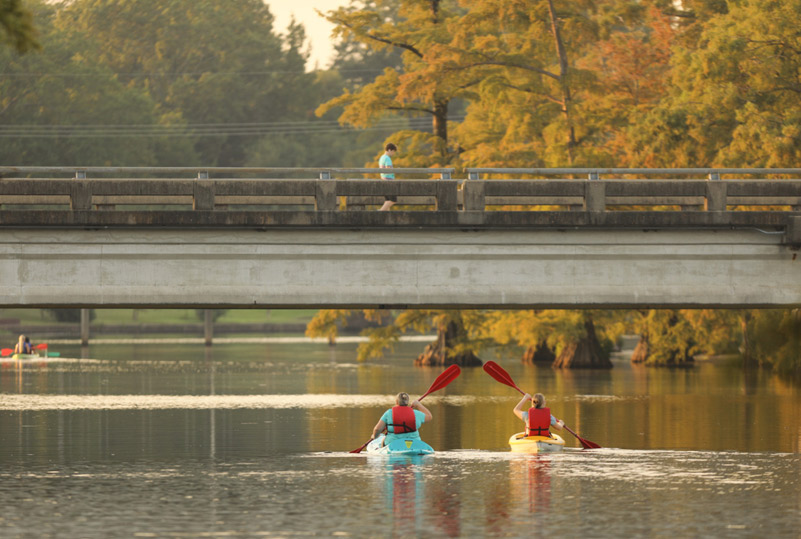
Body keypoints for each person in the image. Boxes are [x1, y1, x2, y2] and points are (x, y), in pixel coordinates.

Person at [378, 142, 397, 211]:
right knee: (393, 200)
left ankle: (385, 216)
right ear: (389, 150)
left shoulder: (381, 157)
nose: (393, 153)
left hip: (383, 179)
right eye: (393, 151)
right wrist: (395, 170)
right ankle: (380, 212)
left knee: (387, 200)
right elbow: (388, 169)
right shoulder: (387, 158)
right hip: (389, 180)